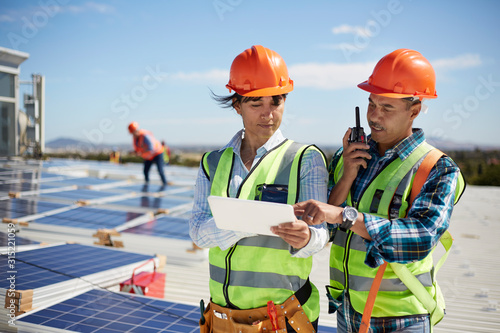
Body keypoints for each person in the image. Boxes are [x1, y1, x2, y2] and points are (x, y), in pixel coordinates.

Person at [293, 49, 465, 333]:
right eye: (372, 104)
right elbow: (325, 228)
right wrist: (347, 176)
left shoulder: (438, 168)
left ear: (415, 110)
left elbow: (421, 238)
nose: (374, 116)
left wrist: (346, 216)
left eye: (387, 108)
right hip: (347, 310)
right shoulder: (348, 156)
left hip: (401, 319)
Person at [189, 45, 329, 333]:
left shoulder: (306, 159)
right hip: (222, 320)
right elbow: (198, 233)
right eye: (256, 104)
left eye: (276, 102)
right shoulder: (212, 163)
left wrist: (306, 239)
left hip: (283, 320)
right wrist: (244, 223)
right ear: (237, 105)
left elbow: (321, 235)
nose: (268, 114)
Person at [128, 121, 167, 186]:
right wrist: (135, 152)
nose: (133, 134)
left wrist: (140, 153)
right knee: (145, 171)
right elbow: (139, 149)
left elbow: (151, 148)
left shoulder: (145, 136)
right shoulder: (136, 138)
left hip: (157, 153)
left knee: (160, 171)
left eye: (134, 132)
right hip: (149, 156)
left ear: (136, 130)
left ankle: (165, 184)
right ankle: (146, 185)